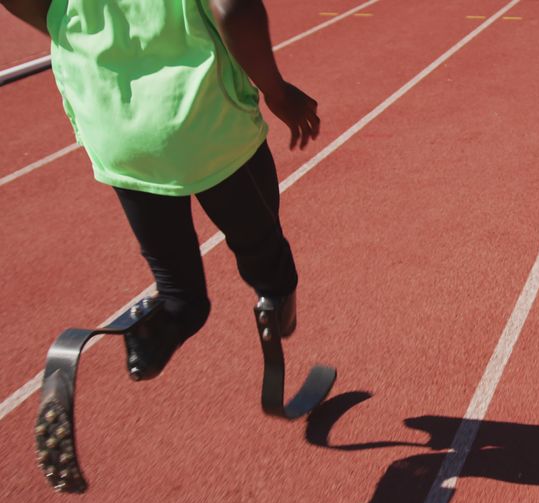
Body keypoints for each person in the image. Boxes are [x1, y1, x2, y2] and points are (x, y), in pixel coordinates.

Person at [1, 0, 320, 378]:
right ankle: (274, 298)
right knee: (262, 246)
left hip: (113, 125)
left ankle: (164, 321)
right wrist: (277, 93)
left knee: (180, 293)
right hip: (206, 122)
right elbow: (235, 9)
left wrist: (70, 29)